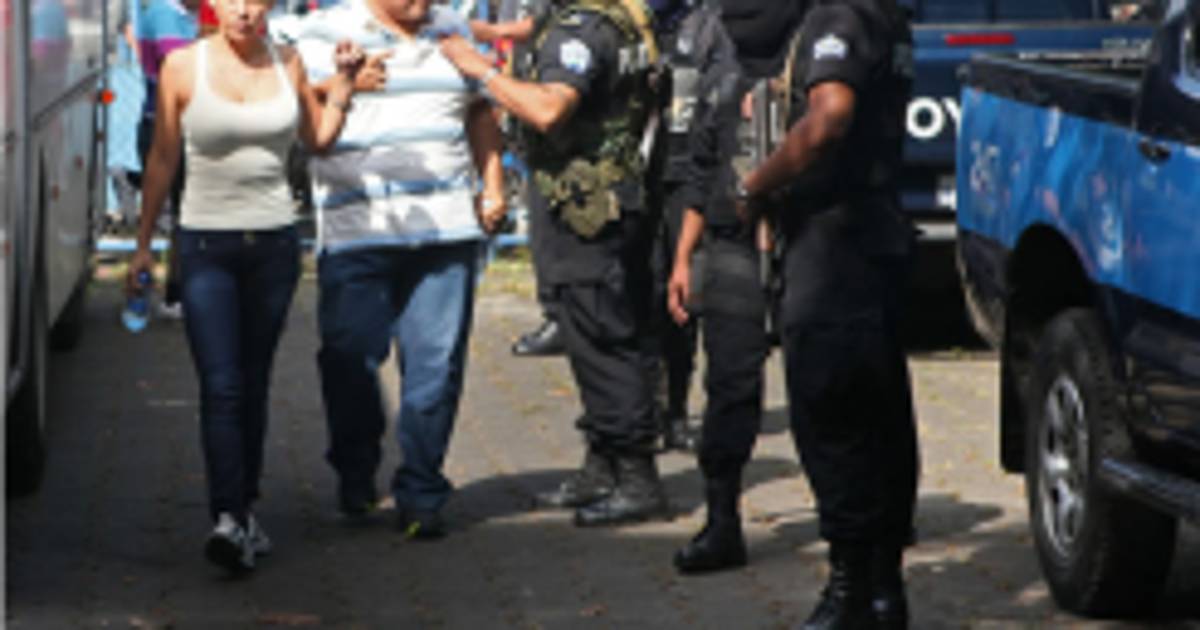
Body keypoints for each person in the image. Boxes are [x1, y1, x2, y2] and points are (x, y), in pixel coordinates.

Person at [127, 0, 366, 573]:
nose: (244, 9)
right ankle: (228, 517)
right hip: (204, 245)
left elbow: (318, 138)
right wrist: (143, 244)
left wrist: (344, 84)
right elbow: (163, 157)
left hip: (274, 247)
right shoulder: (184, 66)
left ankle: (245, 508)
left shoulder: (289, 62)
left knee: (253, 382)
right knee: (221, 385)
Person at [440, 0, 671, 527]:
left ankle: (636, 478)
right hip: (608, 198)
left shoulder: (579, 31)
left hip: (587, 207)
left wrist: (481, 71)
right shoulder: (613, 14)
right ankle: (603, 463)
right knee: (590, 333)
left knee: (602, 336)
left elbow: (548, 109)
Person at [283, 0, 506, 539]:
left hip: (446, 229)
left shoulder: (451, 28)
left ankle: (422, 490)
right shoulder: (321, 32)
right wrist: (341, 85)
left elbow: (479, 113)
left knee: (436, 366)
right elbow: (294, 113)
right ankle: (356, 469)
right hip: (357, 231)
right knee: (348, 360)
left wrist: (493, 184)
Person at [738, 0, 920, 627]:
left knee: (832, 416)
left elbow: (831, 116)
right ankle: (883, 587)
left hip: (834, 248)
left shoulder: (840, 15)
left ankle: (850, 590)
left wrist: (755, 184)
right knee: (882, 420)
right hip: (875, 236)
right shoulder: (884, 15)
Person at [664, 0, 789, 573]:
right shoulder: (722, 75)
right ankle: (722, 520)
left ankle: (867, 528)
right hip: (730, 243)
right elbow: (701, 170)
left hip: (805, 242)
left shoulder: (812, 65)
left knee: (831, 386)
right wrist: (683, 260)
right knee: (730, 383)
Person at [645, 0, 737, 451]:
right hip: (637, 176)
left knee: (682, 297)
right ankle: (643, 408)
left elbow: (723, 91)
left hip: (688, 175)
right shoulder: (631, 19)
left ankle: (676, 410)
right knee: (640, 293)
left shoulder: (708, 23)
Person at [134, 0, 204, 320]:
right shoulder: (164, 13)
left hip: (191, 125)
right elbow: (180, 65)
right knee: (181, 213)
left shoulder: (193, 15)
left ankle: (179, 291)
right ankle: (172, 291)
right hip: (164, 125)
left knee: (187, 215)